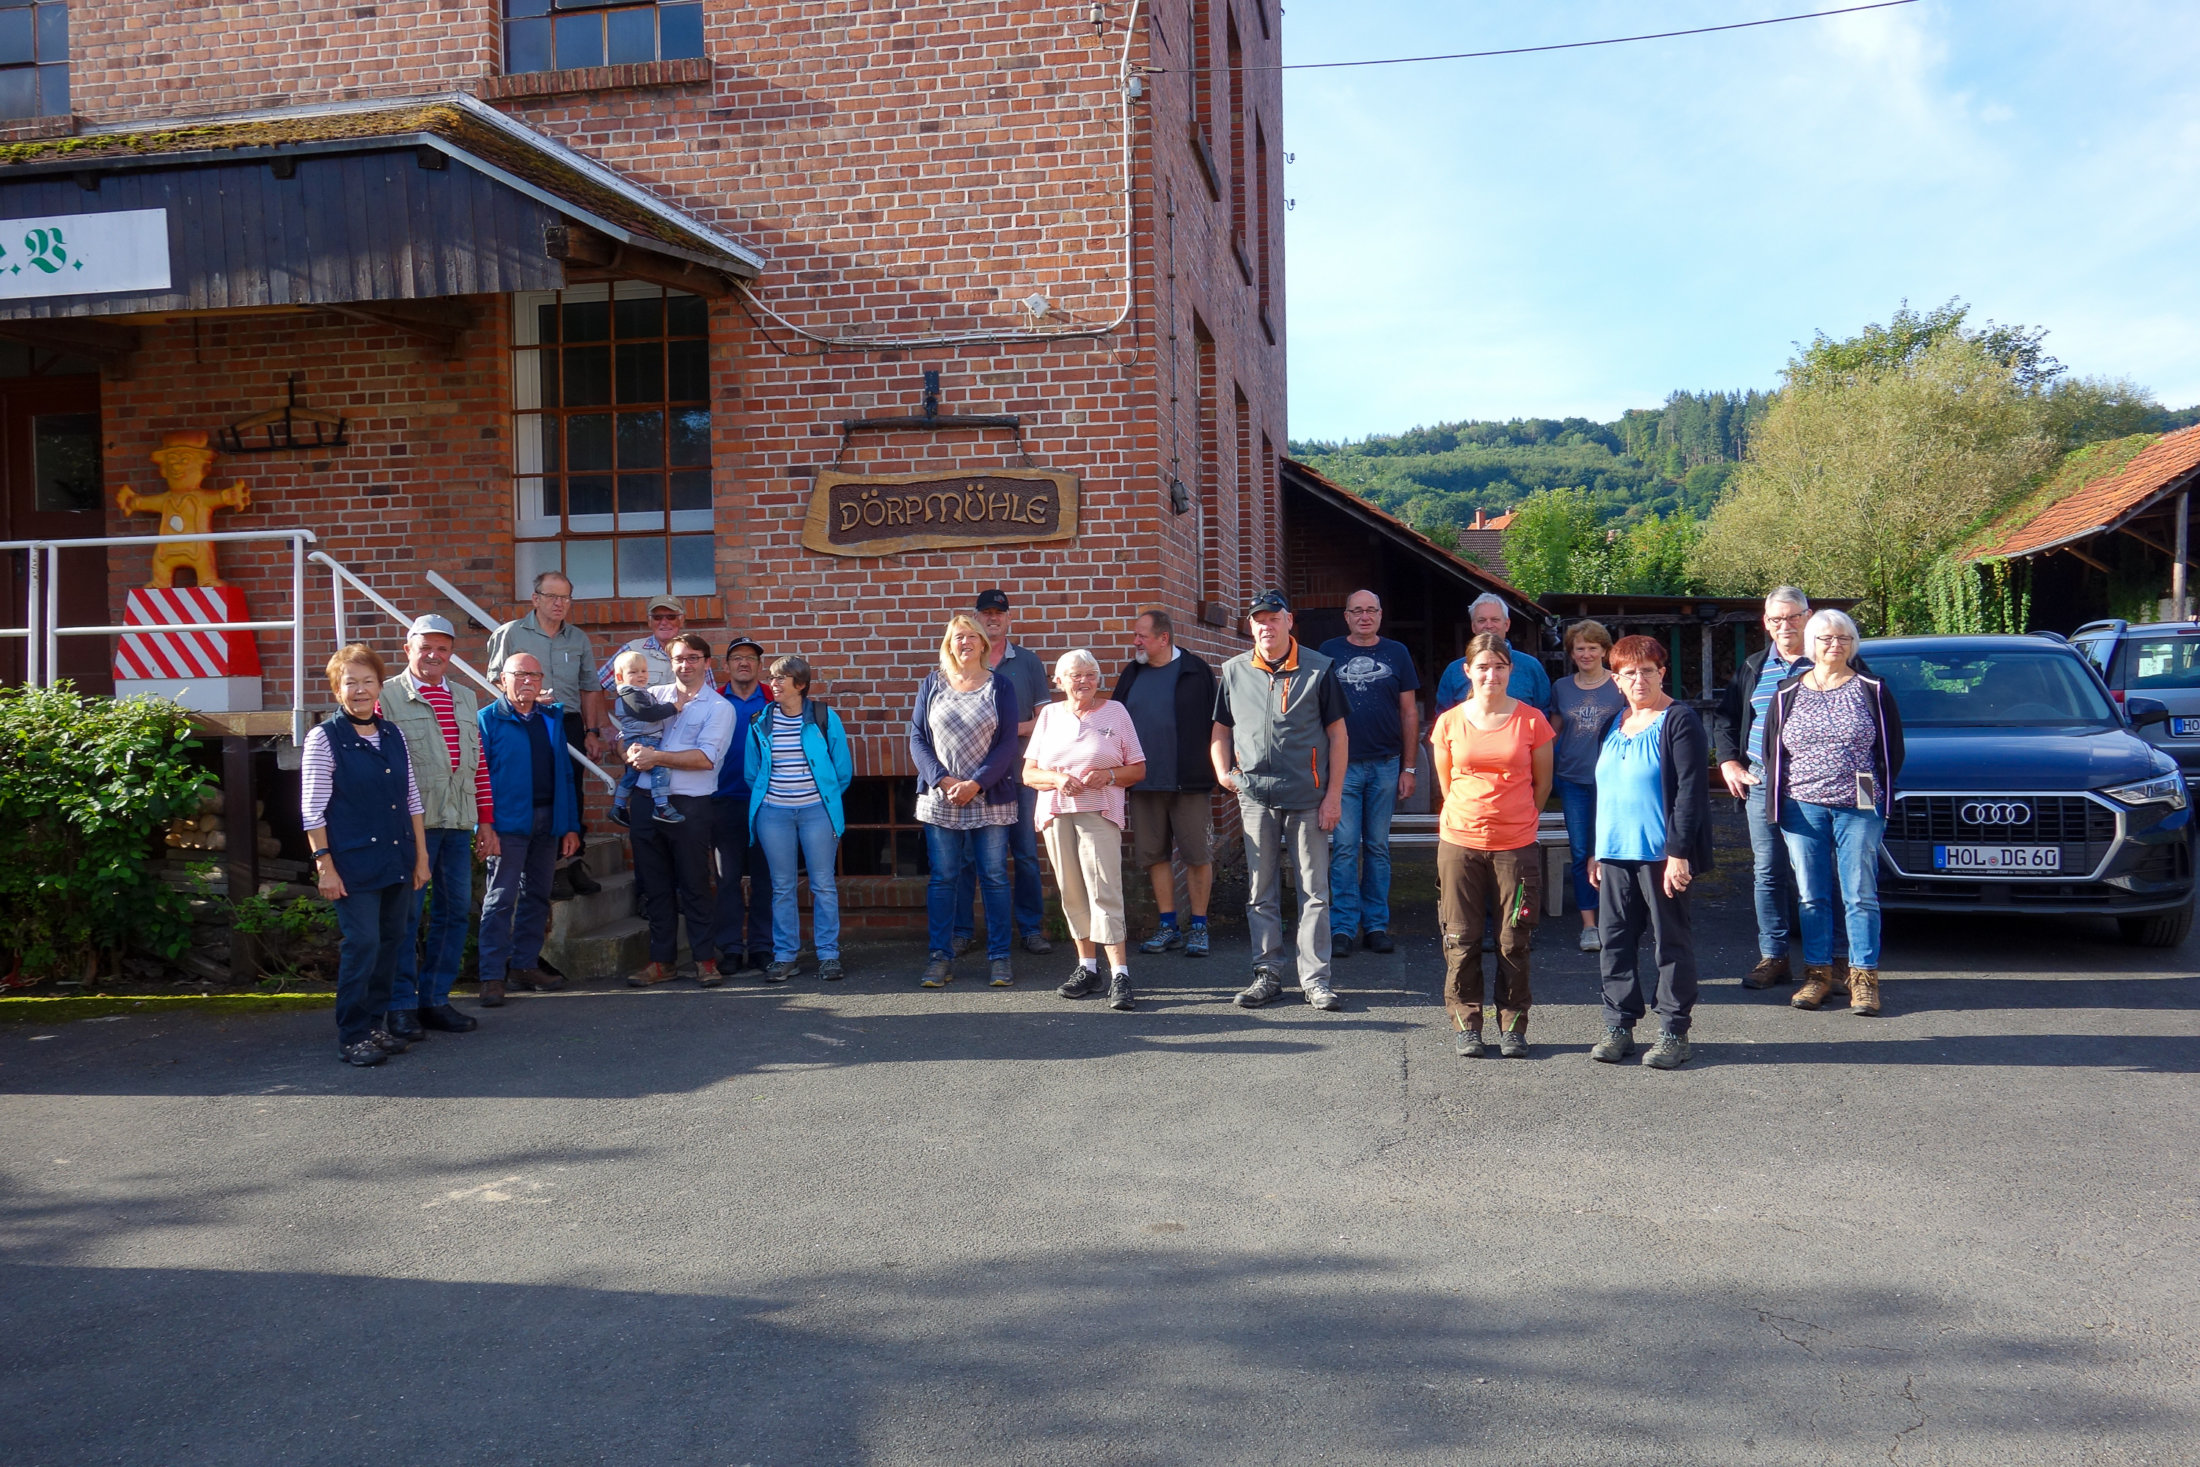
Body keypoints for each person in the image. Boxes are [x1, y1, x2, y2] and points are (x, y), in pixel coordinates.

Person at [1211, 590, 1351, 1011]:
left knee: (1314, 891)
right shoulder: (1234, 671)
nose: (1265, 626)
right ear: (1250, 626)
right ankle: (1267, 973)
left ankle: (1315, 980)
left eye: (1273, 618)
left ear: (1289, 621)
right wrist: (1223, 772)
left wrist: (1333, 797)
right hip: (1255, 798)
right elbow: (1221, 730)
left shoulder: (1319, 668)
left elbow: (1338, 736)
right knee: (1260, 889)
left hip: (1308, 797)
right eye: (1258, 620)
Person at [1762, 608, 1904, 1016]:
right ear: (1811, 644)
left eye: (1842, 638)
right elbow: (1775, 750)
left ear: (1852, 644)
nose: (1834, 645)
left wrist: (1873, 794)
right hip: (1801, 804)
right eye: (1825, 638)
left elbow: (1891, 751)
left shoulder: (1871, 688)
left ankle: (1863, 978)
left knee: (1859, 894)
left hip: (1857, 804)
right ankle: (1818, 976)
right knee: (1811, 896)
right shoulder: (1788, 691)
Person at [1586, 635, 1713, 1070]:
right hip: (1614, 852)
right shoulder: (1612, 723)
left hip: (1661, 856)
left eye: (1647, 670)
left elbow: (1693, 793)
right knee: (1614, 942)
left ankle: (1674, 1033)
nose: (1638, 679)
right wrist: (1595, 851)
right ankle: (1619, 1026)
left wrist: (1679, 853)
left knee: (1670, 944)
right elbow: (1602, 792)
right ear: (1616, 680)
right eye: (1628, 673)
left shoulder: (1679, 720)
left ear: (1662, 673)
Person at [304, 645, 431, 1066]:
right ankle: (353, 1034)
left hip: (398, 858)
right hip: (352, 863)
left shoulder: (392, 733)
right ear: (337, 689)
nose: (360, 690)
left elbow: (412, 799)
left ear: (380, 686)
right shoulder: (324, 738)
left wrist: (421, 858)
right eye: (350, 682)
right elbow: (312, 808)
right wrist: (324, 865)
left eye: (367, 681)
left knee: (393, 944)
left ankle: (375, 1026)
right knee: (364, 944)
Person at [1429, 632, 1554, 1057]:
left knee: (1513, 937)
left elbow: (1542, 784)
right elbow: (1446, 783)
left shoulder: (1532, 720)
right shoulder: (1449, 722)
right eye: (1483, 666)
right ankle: (1467, 1025)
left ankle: (1513, 1026)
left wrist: (1514, 817)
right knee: (1460, 937)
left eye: (1499, 666)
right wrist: (1471, 815)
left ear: (1510, 671)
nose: (1491, 674)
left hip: (1515, 842)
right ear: (1467, 671)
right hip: (1460, 841)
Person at [379, 614, 491, 1038]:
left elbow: (478, 765)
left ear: (451, 654)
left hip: (458, 824)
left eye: (442, 648)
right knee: (405, 917)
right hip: (410, 828)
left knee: (455, 914)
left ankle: (435, 999)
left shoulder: (465, 697)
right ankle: (401, 1005)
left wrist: (486, 821)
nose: (433, 655)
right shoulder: (386, 696)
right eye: (425, 646)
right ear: (408, 649)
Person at [1025, 650, 1148, 1010]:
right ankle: (1087, 968)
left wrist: (1108, 775)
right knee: (1072, 892)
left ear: (1098, 679)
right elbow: (1028, 774)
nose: (1083, 681)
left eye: (1089, 675)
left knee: (1104, 891)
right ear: (1058, 681)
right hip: (1056, 812)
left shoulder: (1116, 713)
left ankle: (1120, 974)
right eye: (1074, 676)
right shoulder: (1048, 716)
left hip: (1099, 810)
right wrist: (1056, 778)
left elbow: (1138, 769)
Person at [1710, 588, 1819, 990]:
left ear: (1809, 616)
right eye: (1776, 620)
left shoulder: (1828, 662)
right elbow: (1726, 719)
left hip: (1814, 785)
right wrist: (1729, 763)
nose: (1784, 626)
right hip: (1761, 782)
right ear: (1766, 622)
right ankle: (1773, 957)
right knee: (1767, 872)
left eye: (1792, 617)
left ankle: (1825, 963)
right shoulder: (1755, 666)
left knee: (1815, 874)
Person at [911, 613, 1023, 987]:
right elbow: (917, 738)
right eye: (958, 637)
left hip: (989, 797)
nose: (965, 642)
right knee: (943, 879)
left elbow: (1008, 743)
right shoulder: (932, 683)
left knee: (993, 878)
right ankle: (939, 958)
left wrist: (975, 784)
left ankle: (1000, 959)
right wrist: (943, 780)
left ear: (982, 643)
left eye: (971, 636)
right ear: (949, 643)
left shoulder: (1000, 686)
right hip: (941, 797)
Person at [621, 633, 737, 988]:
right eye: (678, 659)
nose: (684, 665)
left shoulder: (720, 708)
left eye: (692, 658)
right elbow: (628, 737)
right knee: (654, 888)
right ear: (669, 663)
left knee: (694, 885)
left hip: (690, 805)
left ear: (706, 663)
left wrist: (655, 757)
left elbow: (705, 759)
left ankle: (705, 960)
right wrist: (628, 751)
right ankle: (662, 962)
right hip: (643, 802)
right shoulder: (652, 696)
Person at [485, 570, 604, 897]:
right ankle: (547, 869)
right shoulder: (510, 633)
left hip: (566, 722)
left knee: (571, 791)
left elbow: (590, 687)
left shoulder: (578, 638)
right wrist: (527, 696)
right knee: (538, 790)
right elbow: (494, 680)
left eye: (565, 597)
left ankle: (573, 861)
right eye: (551, 596)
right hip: (527, 721)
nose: (558, 603)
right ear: (535, 598)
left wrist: (592, 731)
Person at [475, 653, 583, 1006]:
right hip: (507, 824)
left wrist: (568, 826)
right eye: (519, 674)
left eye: (534, 676)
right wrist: (485, 825)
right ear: (501, 680)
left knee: (538, 896)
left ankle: (524, 965)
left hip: (547, 820)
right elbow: (480, 777)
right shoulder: (487, 721)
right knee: (500, 898)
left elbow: (564, 775)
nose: (527, 682)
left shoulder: (551, 718)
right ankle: (491, 975)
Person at [1317, 589, 1420, 959]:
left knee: (1377, 847)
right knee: (1344, 847)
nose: (1364, 616)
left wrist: (1409, 766)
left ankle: (1376, 924)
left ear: (1380, 614)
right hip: (1342, 768)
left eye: (1371, 610)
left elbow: (1409, 713)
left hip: (1386, 763)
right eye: (1357, 611)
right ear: (1346, 616)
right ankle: (1342, 926)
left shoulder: (1397, 653)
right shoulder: (1328, 651)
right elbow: (1315, 709)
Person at [954, 588, 1054, 957]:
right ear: (976, 618)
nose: (992, 618)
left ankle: (1030, 929)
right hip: (973, 776)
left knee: (1025, 853)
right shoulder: (964, 664)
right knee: (966, 856)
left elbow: (1046, 717)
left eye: (999, 612)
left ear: (1009, 618)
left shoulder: (1027, 661)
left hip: (1021, 773)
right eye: (986, 613)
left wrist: (1011, 729)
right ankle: (962, 930)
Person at [1112, 608, 1219, 957]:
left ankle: (1199, 927)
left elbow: (1218, 725)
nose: (1136, 641)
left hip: (1188, 781)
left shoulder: (1195, 671)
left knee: (1197, 855)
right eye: (1135, 634)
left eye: (1142, 635)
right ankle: (1168, 925)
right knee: (1154, 856)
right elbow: (1115, 721)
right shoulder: (1132, 674)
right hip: (1144, 783)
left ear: (1164, 638)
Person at [746, 654, 855, 983]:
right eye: (773, 677)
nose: (774, 684)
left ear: (801, 684)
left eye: (782, 678)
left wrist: (823, 801)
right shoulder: (760, 720)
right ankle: (785, 956)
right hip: (773, 814)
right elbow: (752, 773)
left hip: (816, 813)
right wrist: (773, 800)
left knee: (823, 885)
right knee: (781, 887)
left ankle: (828, 954)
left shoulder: (823, 716)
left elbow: (842, 770)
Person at [1549, 619, 1626, 954]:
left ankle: (1617, 920)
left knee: (1612, 851)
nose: (1585, 653)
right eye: (1579, 648)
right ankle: (1589, 926)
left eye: (1592, 647)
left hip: (1615, 781)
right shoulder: (1562, 687)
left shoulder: (1619, 685)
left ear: (1605, 651)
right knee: (1582, 852)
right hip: (1572, 779)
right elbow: (1552, 730)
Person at [712, 634, 774, 973]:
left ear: (760, 666)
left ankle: (763, 947)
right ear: (726, 666)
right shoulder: (714, 701)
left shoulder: (774, 701)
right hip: (723, 801)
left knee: (766, 878)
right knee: (727, 879)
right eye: (737, 657)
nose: (744, 662)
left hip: (767, 803)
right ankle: (732, 949)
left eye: (751, 657)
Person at [1434, 592, 1551, 721]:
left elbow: (1545, 715)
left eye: (1495, 620)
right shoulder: (1454, 671)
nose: (1489, 625)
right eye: (1482, 620)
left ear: (1507, 624)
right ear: (1473, 626)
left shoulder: (1531, 666)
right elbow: (1444, 719)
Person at [607, 650, 682, 825]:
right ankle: (662, 806)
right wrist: (673, 707)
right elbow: (648, 713)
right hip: (643, 739)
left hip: (638, 739)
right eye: (633, 672)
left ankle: (618, 806)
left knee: (632, 776)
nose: (641, 675)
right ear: (620, 676)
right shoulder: (630, 694)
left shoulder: (638, 692)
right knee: (660, 769)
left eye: (643, 671)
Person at [597, 594, 689, 694]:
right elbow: (597, 685)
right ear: (649, 621)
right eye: (657, 617)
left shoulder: (695, 652)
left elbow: (708, 690)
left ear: (681, 619)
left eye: (671, 617)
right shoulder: (631, 650)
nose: (664, 622)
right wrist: (601, 710)